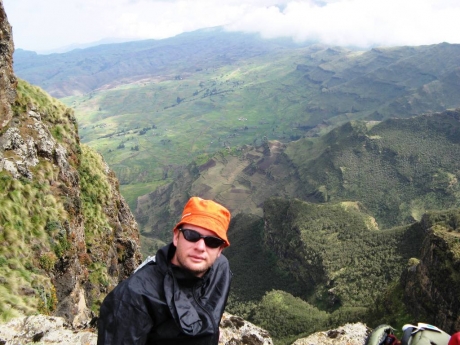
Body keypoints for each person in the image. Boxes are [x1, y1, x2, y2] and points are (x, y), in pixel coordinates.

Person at [97, 197, 232, 345]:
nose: (200, 247)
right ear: (176, 237)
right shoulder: (134, 296)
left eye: (213, 241)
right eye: (191, 235)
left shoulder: (221, 270)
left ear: (220, 250)